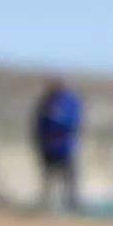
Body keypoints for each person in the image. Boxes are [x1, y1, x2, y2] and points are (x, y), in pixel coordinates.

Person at [32, 79, 82, 212]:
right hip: (48, 148)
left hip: (65, 148)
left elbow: (73, 123)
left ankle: (71, 206)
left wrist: (58, 118)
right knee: (49, 179)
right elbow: (38, 126)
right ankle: (46, 206)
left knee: (68, 180)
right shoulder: (45, 104)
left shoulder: (69, 103)